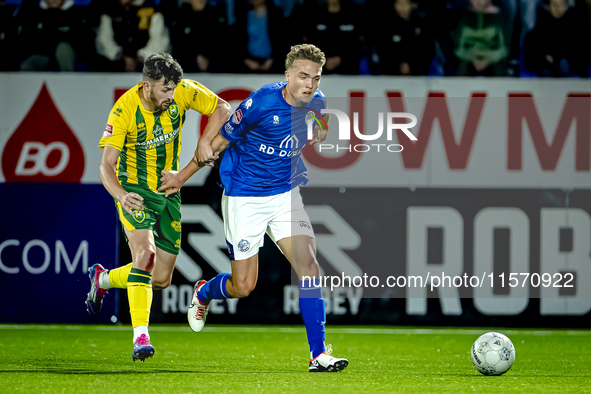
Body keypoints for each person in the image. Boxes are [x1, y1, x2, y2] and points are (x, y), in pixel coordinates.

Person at [159, 44, 349, 372]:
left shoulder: (317, 99)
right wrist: (181, 177)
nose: (310, 85)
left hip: (286, 195)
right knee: (243, 286)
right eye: (303, 76)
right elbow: (216, 145)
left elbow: (321, 115)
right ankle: (205, 292)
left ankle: (318, 355)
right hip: (244, 198)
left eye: (316, 78)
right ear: (287, 74)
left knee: (310, 267)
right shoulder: (260, 103)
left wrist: (321, 128)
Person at [86, 52, 231, 362]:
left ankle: (103, 279)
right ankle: (141, 337)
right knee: (146, 256)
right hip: (134, 190)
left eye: (173, 89)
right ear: (146, 85)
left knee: (161, 278)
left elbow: (222, 107)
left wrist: (204, 141)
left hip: (168, 188)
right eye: (164, 90)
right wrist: (121, 195)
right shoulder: (124, 109)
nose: (171, 95)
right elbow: (105, 167)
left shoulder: (180, 90)